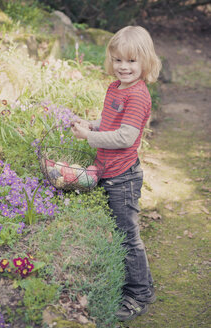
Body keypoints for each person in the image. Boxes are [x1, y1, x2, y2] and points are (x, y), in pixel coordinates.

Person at [71, 25, 161, 322]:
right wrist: (93, 125)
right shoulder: (116, 88)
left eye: (132, 61)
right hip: (110, 171)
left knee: (128, 237)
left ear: (145, 62)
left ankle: (139, 294)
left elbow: (124, 137)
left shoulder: (138, 96)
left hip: (123, 178)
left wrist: (88, 138)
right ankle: (135, 283)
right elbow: (111, 122)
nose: (124, 67)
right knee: (121, 234)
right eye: (119, 60)